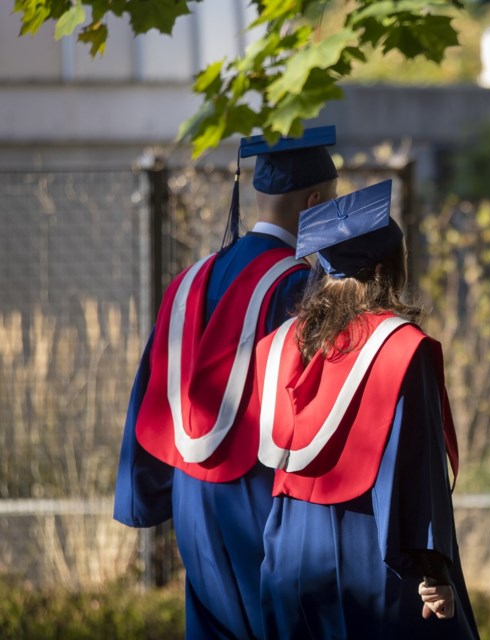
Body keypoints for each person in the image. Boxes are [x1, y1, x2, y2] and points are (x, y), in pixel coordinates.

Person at [113, 125, 339, 639]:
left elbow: (149, 388)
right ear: (316, 200)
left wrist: (144, 493)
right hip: (257, 495)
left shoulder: (189, 279)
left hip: (191, 496)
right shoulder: (299, 287)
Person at [254, 180, 480, 639]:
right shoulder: (401, 349)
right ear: (384, 270)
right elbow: (415, 473)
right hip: (369, 558)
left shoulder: (277, 347)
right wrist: (435, 572)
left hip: (284, 559)